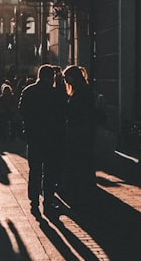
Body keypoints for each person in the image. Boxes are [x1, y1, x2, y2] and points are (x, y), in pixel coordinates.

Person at [19, 65, 67, 215]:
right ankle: (48, 203)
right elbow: (62, 114)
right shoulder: (55, 93)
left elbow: (21, 112)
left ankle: (34, 202)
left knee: (35, 171)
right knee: (49, 172)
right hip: (52, 138)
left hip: (34, 138)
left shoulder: (28, 91)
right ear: (51, 77)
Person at [63, 64, 97, 199]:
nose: (66, 81)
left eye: (66, 78)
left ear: (72, 78)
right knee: (85, 160)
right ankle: (85, 188)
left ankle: (82, 190)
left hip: (79, 131)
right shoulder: (85, 89)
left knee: (80, 160)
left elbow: (75, 112)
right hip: (85, 130)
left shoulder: (80, 92)